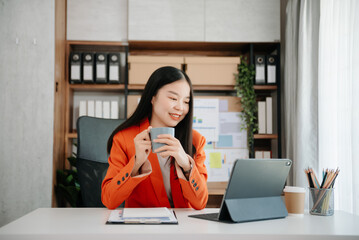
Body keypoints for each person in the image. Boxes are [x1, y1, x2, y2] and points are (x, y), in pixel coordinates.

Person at [101, 66, 208, 210]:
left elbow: (200, 203)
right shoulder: (124, 139)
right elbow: (109, 200)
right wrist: (136, 163)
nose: (180, 107)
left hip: (183, 228)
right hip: (143, 227)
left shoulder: (196, 140)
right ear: (153, 97)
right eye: (173, 98)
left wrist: (186, 165)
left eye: (186, 102)